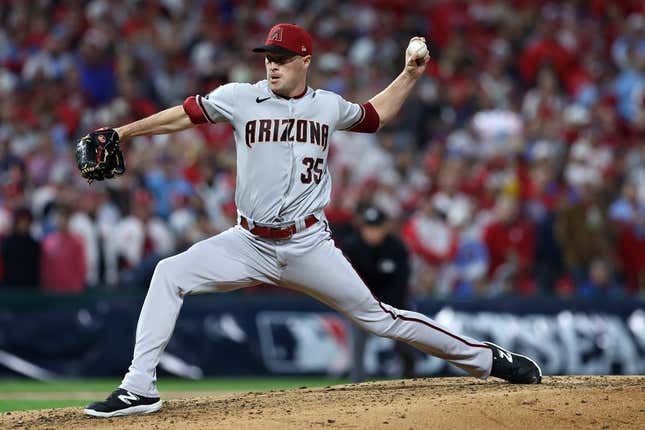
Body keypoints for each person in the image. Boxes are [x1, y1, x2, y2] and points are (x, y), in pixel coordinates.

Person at [84, 24, 541, 418]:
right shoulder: (241, 97)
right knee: (169, 273)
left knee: (380, 319)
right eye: (268, 57)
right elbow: (182, 117)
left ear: (305, 60)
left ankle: (487, 359)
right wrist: (123, 133)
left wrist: (408, 76)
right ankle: (139, 386)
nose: (272, 66)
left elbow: (375, 114)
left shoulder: (327, 106)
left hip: (308, 244)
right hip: (248, 242)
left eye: (281, 58)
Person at [341, 205, 415, 382]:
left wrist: (386, 307)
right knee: (357, 342)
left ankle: (411, 378)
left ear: (385, 227)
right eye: (368, 228)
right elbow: (347, 282)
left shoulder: (397, 247)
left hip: (394, 303)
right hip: (362, 304)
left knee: (408, 342)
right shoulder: (352, 247)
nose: (372, 232)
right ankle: (358, 382)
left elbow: (401, 283)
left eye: (376, 227)